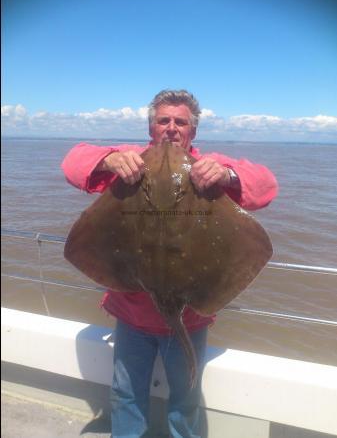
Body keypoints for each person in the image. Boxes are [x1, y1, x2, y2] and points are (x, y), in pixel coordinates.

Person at [61, 89, 278, 438]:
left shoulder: (210, 167)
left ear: (193, 132)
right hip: (132, 314)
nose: (172, 128)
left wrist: (227, 175)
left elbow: (266, 187)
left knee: (185, 401)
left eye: (181, 122)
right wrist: (109, 160)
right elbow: (72, 163)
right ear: (151, 127)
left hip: (190, 317)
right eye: (164, 120)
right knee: (126, 395)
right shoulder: (129, 162)